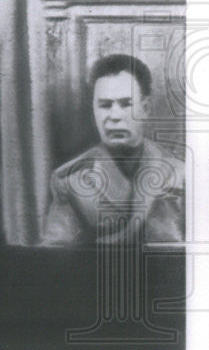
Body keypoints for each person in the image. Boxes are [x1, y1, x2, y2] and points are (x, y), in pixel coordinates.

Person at [42, 54, 184, 245]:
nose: (114, 116)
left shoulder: (181, 172)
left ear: (145, 108)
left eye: (126, 104)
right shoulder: (70, 179)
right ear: (94, 112)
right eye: (105, 105)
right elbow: (54, 259)